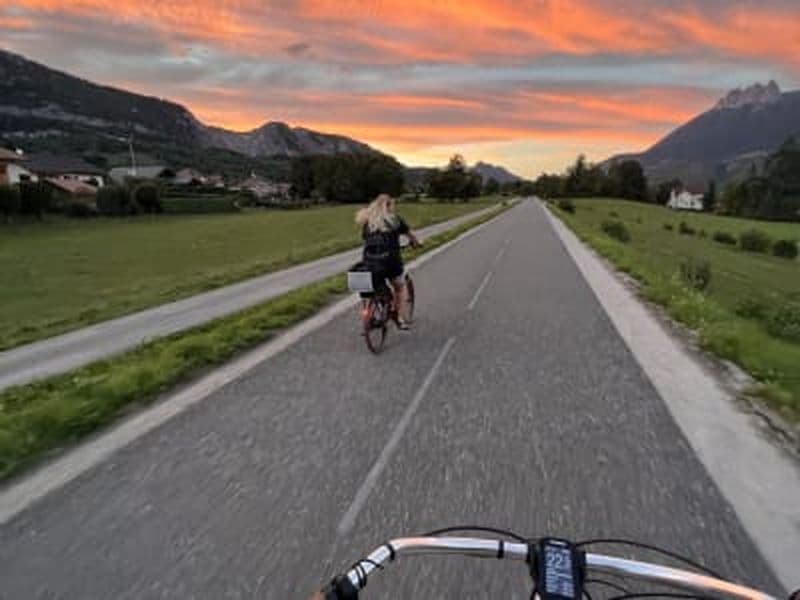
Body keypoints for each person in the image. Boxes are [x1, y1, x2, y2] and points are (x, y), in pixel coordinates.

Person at [355, 194, 420, 329]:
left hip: (369, 262)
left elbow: (366, 240)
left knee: (367, 287)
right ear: (389, 206)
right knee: (399, 287)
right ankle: (397, 317)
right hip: (390, 261)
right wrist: (416, 243)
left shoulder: (368, 223)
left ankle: (369, 313)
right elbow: (411, 235)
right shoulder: (395, 220)